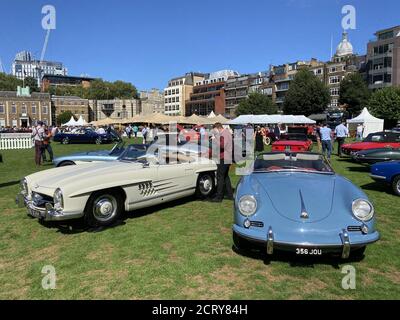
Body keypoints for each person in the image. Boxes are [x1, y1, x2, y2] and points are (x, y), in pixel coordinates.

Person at [208, 123, 233, 203]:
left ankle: (219, 197)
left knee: (220, 177)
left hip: (224, 158)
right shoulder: (227, 133)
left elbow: (222, 146)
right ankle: (230, 195)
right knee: (225, 177)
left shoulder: (224, 134)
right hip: (227, 157)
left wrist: (214, 139)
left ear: (217, 128)